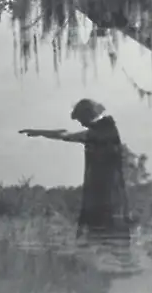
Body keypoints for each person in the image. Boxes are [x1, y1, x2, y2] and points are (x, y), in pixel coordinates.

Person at [20, 98, 131, 244]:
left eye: (80, 119)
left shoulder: (102, 132)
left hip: (106, 194)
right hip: (105, 192)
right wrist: (40, 132)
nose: (81, 123)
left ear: (87, 114)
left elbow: (67, 135)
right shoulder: (104, 129)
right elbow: (66, 134)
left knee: (103, 234)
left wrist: (40, 133)